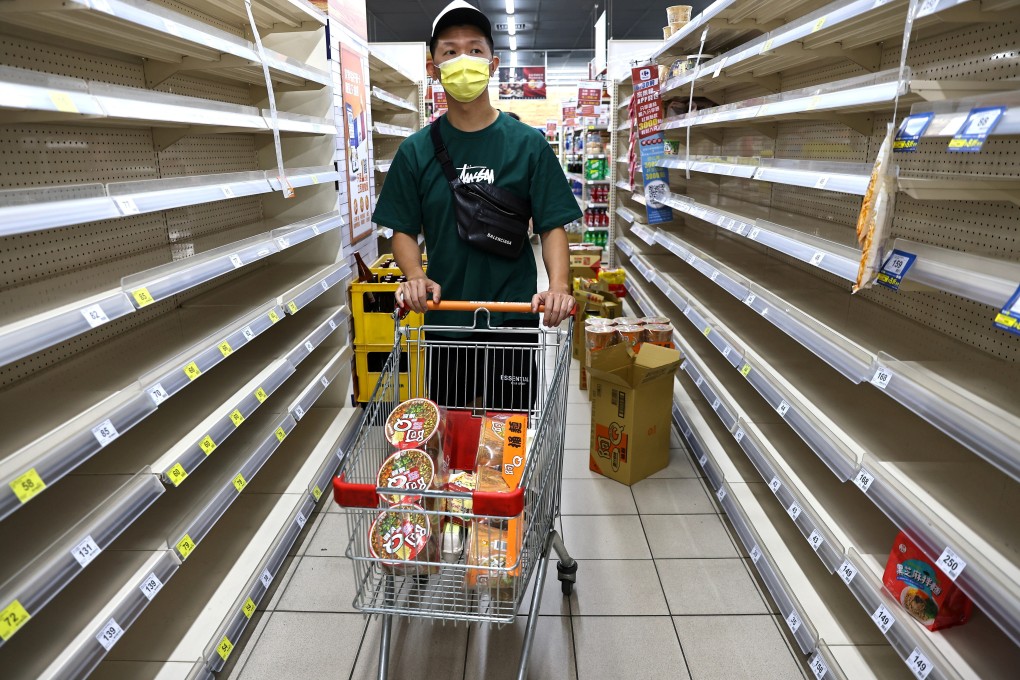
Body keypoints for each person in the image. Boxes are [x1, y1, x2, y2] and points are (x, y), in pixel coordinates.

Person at [372, 0, 581, 409]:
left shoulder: (528, 144)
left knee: (507, 441)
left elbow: (552, 224)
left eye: (474, 49)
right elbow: (402, 229)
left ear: (493, 62)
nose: (462, 59)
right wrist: (414, 274)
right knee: (455, 441)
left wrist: (558, 287)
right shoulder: (415, 152)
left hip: (514, 320)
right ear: (433, 67)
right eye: (449, 51)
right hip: (448, 320)